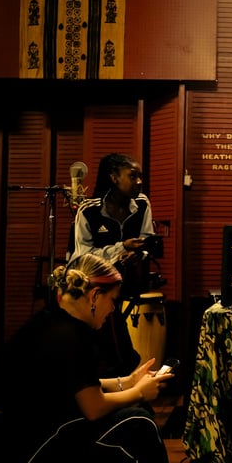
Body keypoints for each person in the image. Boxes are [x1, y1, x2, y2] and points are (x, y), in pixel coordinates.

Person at [0, 254, 175, 463]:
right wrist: (139, 393)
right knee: (138, 423)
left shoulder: (55, 320)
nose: (113, 309)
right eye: (112, 300)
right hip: (10, 447)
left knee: (131, 420)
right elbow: (94, 407)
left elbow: (78, 384)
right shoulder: (69, 335)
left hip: (13, 432)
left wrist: (129, 381)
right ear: (94, 296)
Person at [71, 153, 157, 378]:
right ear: (114, 177)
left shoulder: (142, 204)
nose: (139, 181)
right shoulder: (88, 210)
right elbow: (82, 257)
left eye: (140, 176)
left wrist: (139, 254)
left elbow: (148, 242)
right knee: (112, 337)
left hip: (128, 282)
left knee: (115, 337)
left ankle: (119, 371)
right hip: (94, 288)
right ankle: (119, 371)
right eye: (133, 176)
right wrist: (121, 249)